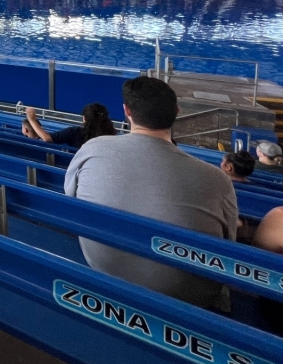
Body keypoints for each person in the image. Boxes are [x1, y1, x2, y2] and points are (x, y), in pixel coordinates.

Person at [64, 77, 237, 309]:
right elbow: (229, 243)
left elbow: (70, 200)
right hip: (189, 299)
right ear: (176, 112)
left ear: (127, 112)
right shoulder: (217, 179)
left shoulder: (93, 149)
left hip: (104, 267)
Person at [21, 104, 116, 148]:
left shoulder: (74, 133)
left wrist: (31, 119)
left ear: (84, 119)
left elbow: (46, 138)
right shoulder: (112, 137)